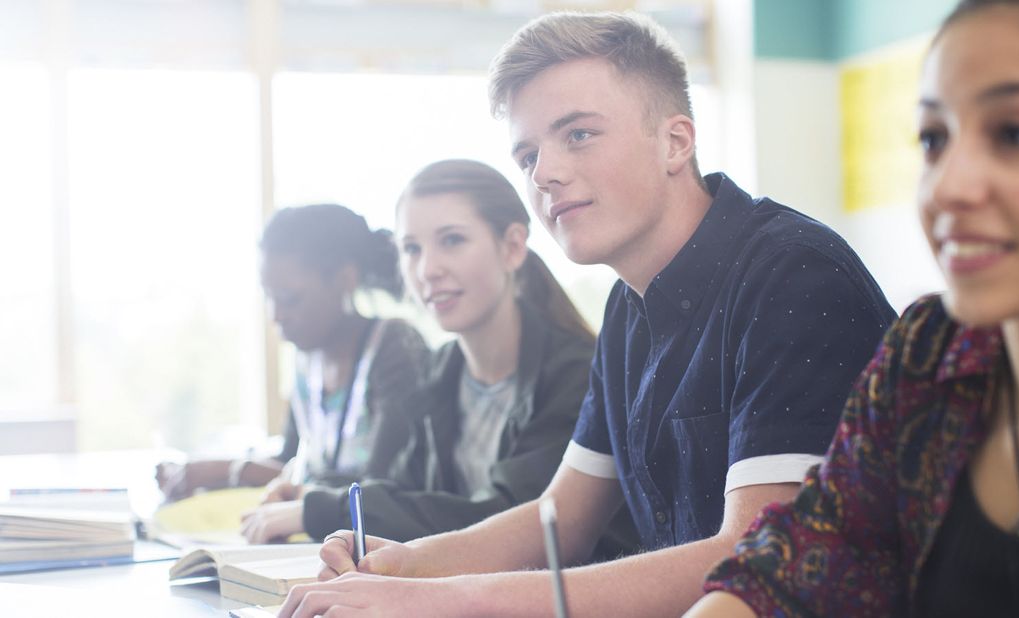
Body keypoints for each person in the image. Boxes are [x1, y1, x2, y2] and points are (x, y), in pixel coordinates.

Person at [278, 11, 895, 617]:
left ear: (676, 142)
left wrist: (438, 599)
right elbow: (563, 518)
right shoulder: (629, 305)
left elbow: (753, 557)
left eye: (578, 134)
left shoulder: (793, 275)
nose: (544, 173)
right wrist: (408, 565)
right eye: (527, 155)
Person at [688, 1, 1019, 616]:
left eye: (1016, 134)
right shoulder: (929, 352)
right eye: (934, 139)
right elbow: (823, 544)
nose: (948, 187)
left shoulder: (794, 270)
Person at [245, 160, 633, 551]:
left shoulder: (576, 374)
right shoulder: (439, 371)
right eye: (411, 249)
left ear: (512, 247)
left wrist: (320, 509)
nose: (428, 269)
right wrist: (307, 494)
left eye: (452, 241)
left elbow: (505, 519)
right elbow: (403, 490)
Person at [157, 204, 428, 537]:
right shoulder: (306, 361)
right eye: (269, 298)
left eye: (289, 298)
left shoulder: (394, 347)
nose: (277, 315)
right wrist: (208, 474)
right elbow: (291, 462)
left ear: (345, 279)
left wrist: (233, 470)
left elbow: (380, 484)